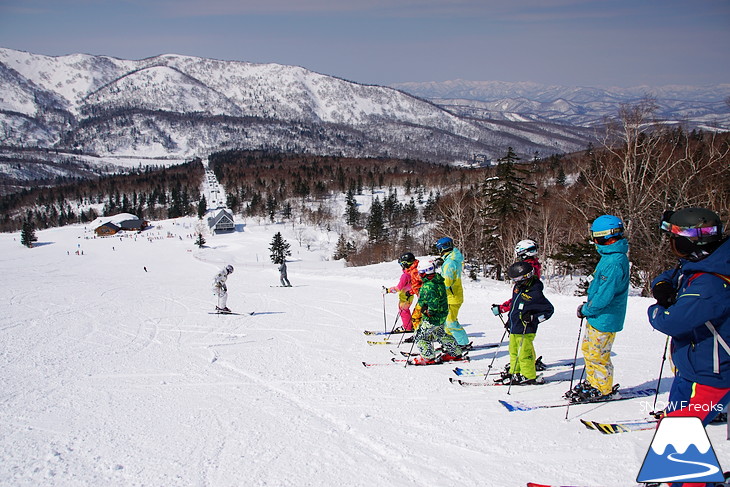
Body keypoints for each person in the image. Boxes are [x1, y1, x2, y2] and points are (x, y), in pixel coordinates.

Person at [647, 207, 730, 427]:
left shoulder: (709, 284)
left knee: (679, 430)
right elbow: (675, 274)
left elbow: (671, 321)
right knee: (681, 396)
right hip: (692, 362)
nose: (672, 244)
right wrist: (662, 285)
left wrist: (654, 310)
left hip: (711, 373)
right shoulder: (706, 260)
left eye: (675, 239)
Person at [565, 214, 630, 403]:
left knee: (598, 354)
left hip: (605, 317)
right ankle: (593, 381)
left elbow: (604, 296)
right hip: (598, 316)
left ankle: (602, 388)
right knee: (589, 350)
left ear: (603, 237)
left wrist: (587, 309)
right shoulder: (609, 257)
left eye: (594, 237)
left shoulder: (614, 262)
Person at [494, 261, 554, 385]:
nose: (514, 281)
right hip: (515, 327)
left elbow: (548, 310)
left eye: (516, 278)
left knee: (524, 353)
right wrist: (510, 321)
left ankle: (528, 375)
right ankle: (515, 372)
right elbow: (515, 306)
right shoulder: (518, 288)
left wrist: (534, 318)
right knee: (513, 352)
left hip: (526, 329)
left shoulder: (535, 292)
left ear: (525, 276)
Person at [410, 261, 464, 365]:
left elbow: (433, 303)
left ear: (426, 272)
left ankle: (427, 357)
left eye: (421, 273)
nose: (419, 276)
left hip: (432, 317)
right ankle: (455, 352)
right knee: (439, 333)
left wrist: (426, 310)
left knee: (420, 335)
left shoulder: (428, 286)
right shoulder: (438, 281)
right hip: (441, 315)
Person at [435, 237, 469, 347]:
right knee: (447, 322)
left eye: (439, 249)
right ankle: (450, 342)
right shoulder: (452, 260)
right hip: (451, 296)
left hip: (452, 297)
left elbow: (447, 282)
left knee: (450, 322)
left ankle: (462, 343)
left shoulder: (450, 263)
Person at [384, 252, 421, 333]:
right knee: (407, 311)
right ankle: (410, 325)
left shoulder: (405, 276)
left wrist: (388, 290)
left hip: (405, 296)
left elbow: (398, 288)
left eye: (401, 264)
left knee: (403, 311)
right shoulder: (415, 270)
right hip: (410, 294)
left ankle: (407, 327)